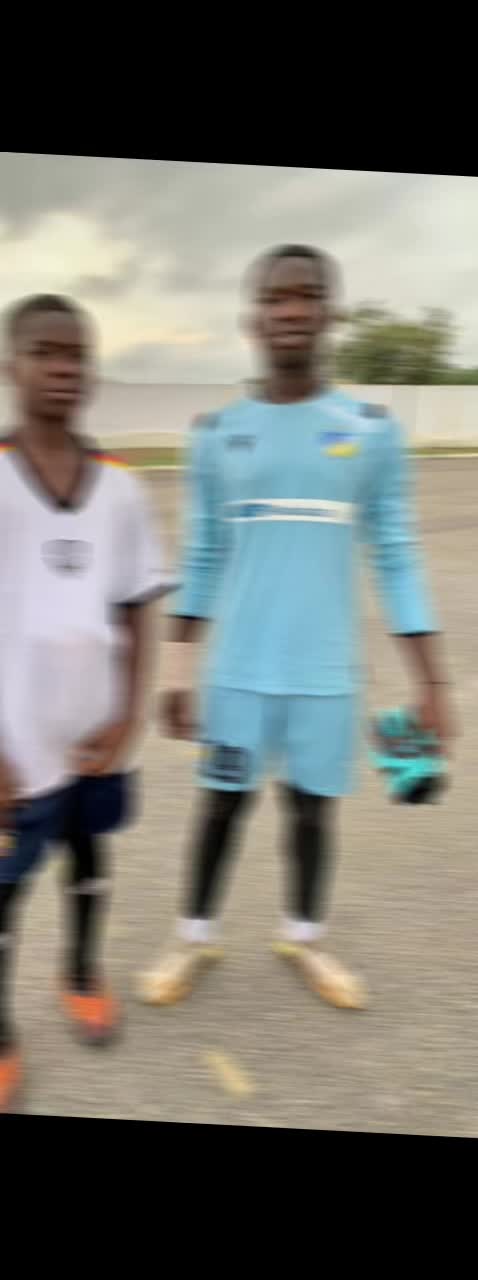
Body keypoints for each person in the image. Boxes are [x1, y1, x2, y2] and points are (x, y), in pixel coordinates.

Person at [138, 244, 454, 1011]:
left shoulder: (371, 431)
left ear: (330, 313)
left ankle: (304, 939)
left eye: (306, 295)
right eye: (275, 298)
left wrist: (431, 683)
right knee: (222, 804)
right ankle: (193, 938)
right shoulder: (217, 434)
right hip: (238, 674)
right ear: (253, 318)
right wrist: (177, 674)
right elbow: (203, 556)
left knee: (313, 810)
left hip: (325, 675)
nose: (290, 311)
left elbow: (396, 558)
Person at [0, 294, 173, 1111]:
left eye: (77, 354)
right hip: (13, 750)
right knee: (6, 890)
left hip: (95, 739)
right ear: (12, 364)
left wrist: (130, 717)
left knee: (90, 863)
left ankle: (79, 973)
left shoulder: (122, 489)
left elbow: (137, 609)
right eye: (46, 351)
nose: (64, 367)